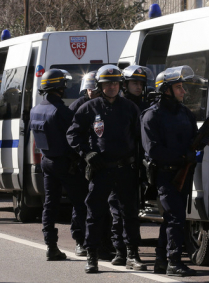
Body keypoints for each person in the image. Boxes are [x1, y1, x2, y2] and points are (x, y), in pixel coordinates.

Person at [67, 65, 144, 274]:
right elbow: (73, 135)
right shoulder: (89, 108)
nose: (112, 86)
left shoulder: (130, 108)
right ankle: (91, 255)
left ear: (120, 85)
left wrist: (141, 167)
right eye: (108, 83)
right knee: (95, 213)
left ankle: (132, 254)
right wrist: (86, 154)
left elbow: (140, 139)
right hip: (100, 169)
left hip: (125, 169)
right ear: (100, 86)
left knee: (129, 214)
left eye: (116, 83)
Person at [140, 66, 208, 277]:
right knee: (175, 218)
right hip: (166, 174)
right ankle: (174, 262)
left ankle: (161, 261)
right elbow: (153, 150)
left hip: (183, 173)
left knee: (172, 219)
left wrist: (204, 136)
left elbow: (195, 138)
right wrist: (181, 156)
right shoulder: (151, 116)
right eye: (179, 87)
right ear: (166, 90)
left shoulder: (184, 112)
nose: (183, 92)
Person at [30, 69, 88, 261]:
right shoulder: (61, 111)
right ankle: (88, 244)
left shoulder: (35, 110)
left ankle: (51, 246)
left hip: (46, 162)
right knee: (81, 203)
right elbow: (74, 137)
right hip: (66, 163)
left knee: (50, 205)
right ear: (59, 88)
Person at [107, 65, 155, 267]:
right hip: (118, 167)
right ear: (125, 85)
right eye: (134, 83)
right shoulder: (117, 107)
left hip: (139, 167)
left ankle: (131, 251)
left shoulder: (146, 107)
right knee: (118, 211)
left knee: (132, 212)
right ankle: (120, 251)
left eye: (141, 83)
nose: (138, 86)